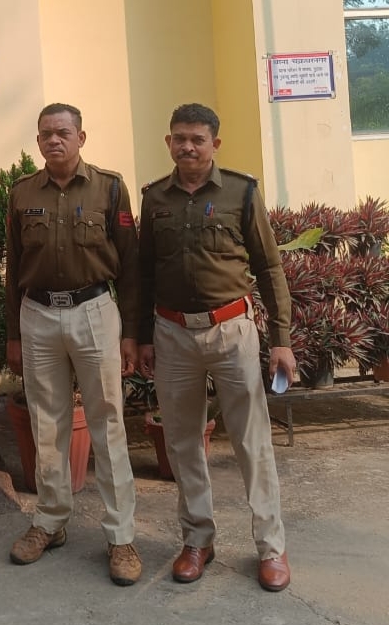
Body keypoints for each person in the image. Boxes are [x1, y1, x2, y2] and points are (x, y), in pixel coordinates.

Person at [137, 103, 295, 592]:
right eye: (179, 138)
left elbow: (269, 268)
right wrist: (140, 336)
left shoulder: (241, 192)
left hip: (232, 332)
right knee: (183, 442)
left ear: (214, 144)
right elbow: (144, 272)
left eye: (197, 139)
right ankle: (197, 540)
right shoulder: (154, 198)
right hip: (172, 334)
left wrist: (281, 341)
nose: (187, 146)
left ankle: (271, 547)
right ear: (168, 142)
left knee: (252, 442)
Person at [4, 103, 143, 586]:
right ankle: (50, 520)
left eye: (63, 132)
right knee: (46, 423)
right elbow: (12, 268)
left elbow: (130, 265)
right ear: (38, 140)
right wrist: (13, 334)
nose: (53, 140)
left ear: (81, 137)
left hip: (93, 310)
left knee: (107, 422)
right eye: (45, 134)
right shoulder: (22, 193)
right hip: (38, 313)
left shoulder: (109, 187)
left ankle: (121, 535)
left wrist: (131, 333)